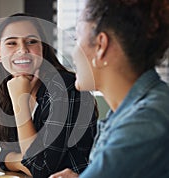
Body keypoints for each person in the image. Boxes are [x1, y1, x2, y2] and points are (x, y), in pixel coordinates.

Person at [50, 0, 169, 178]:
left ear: (100, 46)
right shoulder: (130, 112)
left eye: (76, 39)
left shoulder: (145, 120)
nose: (73, 54)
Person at [0, 13, 98, 177]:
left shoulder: (64, 89)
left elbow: (40, 169)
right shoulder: (7, 89)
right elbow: (4, 154)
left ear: (42, 48)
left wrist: (21, 102)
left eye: (32, 42)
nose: (23, 50)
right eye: (12, 43)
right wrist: (19, 160)